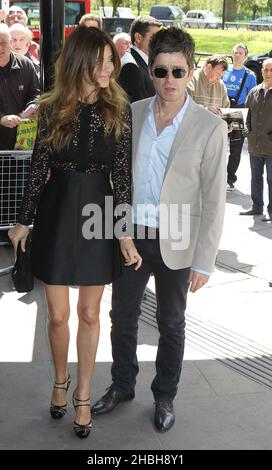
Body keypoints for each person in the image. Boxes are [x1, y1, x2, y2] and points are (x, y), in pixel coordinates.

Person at [8, 26, 141, 439]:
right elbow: (36, 169)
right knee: (59, 316)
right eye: (101, 61)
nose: (109, 68)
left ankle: (82, 394)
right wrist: (24, 220)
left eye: (110, 61)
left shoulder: (119, 108)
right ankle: (60, 379)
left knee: (89, 312)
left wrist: (123, 233)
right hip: (58, 210)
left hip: (99, 213)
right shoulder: (51, 108)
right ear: (81, 62)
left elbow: (122, 175)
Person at [92, 27, 227, 432]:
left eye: (178, 71)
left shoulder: (209, 127)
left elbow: (214, 199)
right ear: (150, 71)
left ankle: (165, 394)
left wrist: (205, 260)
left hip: (179, 240)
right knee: (122, 317)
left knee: (171, 322)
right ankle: (122, 385)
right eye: (160, 71)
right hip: (132, 235)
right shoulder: (132, 114)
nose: (169, 80)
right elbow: (115, 180)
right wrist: (120, 232)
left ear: (190, 71)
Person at [240, 58, 272, 222]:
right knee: (256, 178)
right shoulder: (253, 91)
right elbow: (248, 115)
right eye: (265, 70)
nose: (268, 73)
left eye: (271, 70)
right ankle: (257, 207)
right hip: (255, 145)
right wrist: (247, 131)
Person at [222, 43, 256, 190]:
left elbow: (253, 98)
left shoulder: (250, 76)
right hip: (222, 110)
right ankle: (217, 176)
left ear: (245, 57)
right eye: (235, 52)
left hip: (237, 112)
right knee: (218, 146)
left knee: (235, 148)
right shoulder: (224, 71)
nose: (237, 55)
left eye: (240, 53)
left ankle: (230, 178)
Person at [0, 24, 39, 150]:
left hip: (21, 141)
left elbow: (35, 93)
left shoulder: (25, 64)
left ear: (10, 43)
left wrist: (32, 106)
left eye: (3, 43)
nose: (0, 48)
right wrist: (1, 118)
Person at [119, 15, 161, 102]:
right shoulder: (131, 67)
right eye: (155, 37)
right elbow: (139, 109)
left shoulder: (138, 60)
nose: (159, 42)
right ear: (138, 37)